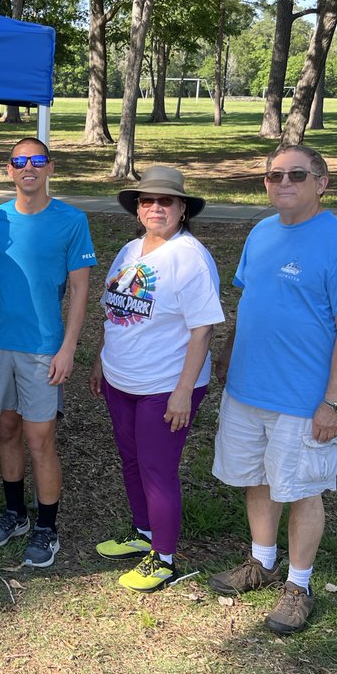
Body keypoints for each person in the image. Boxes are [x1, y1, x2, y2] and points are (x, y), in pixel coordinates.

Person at [210, 145, 337, 634]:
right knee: (257, 479)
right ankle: (262, 562)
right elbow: (251, 302)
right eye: (273, 174)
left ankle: (298, 587)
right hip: (246, 388)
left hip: (303, 400)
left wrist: (334, 402)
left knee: (302, 490)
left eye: (296, 174)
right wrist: (228, 353)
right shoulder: (260, 233)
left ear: (321, 182)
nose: (283, 182)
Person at [87, 166, 224, 591]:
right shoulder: (130, 250)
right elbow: (115, 310)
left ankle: (163, 557)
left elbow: (202, 329)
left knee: (157, 468)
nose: (155, 208)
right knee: (131, 458)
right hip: (121, 377)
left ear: (183, 209)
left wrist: (184, 391)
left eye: (166, 201)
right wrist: (100, 359)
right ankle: (143, 531)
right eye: (147, 201)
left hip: (164, 386)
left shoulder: (190, 257)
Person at [0, 138, 95, 568]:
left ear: (50, 168)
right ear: (9, 170)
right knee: (6, 430)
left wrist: (69, 347)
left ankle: (47, 526)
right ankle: (14, 514)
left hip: (44, 348)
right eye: (20, 161)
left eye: (37, 160)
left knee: (40, 439)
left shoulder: (72, 220)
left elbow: (80, 288)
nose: (29, 167)